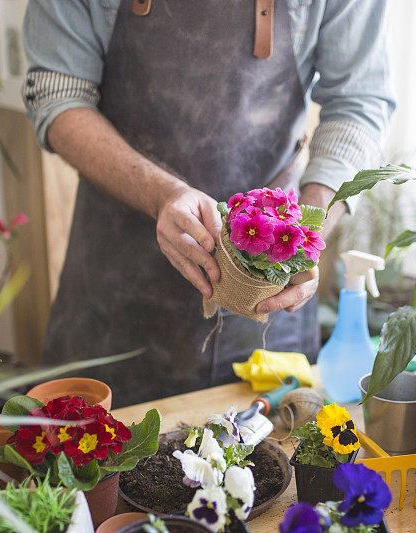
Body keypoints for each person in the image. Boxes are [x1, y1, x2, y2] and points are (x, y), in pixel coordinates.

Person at [22, 0, 395, 405]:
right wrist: (162, 194)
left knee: (265, 457)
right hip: (116, 290)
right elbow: (58, 95)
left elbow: (359, 102)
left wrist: (307, 230)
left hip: (269, 294)